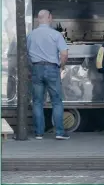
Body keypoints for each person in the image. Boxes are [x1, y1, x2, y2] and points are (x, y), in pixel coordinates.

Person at [27, 10, 69, 140]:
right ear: (49, 18)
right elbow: (64, 54)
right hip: (52, 68)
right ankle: (59, 133)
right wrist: (61, 66)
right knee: (56, 101)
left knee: (37, 102)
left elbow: (26, 54)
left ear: (38, 19)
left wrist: (32, 68)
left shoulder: (31, 35)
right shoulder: (56, 34)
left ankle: (39, 133)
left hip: (36, 68)